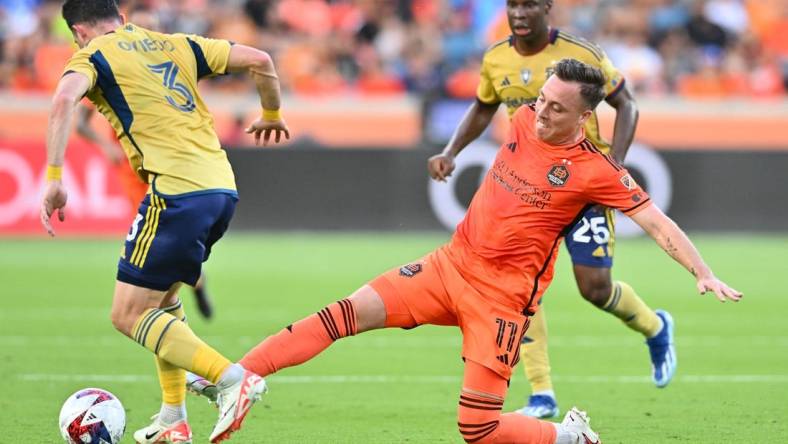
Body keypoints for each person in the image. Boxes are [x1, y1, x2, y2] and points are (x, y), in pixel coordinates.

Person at [229, 59, 741, 444]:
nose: (541, 112)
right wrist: (450, 152)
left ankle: (567, 437)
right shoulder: (521, 119)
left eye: (556, 107)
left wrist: (703, 271)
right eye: (540, 99)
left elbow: (654, 220)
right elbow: (481, 104)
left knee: (476, 428)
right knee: (342, 313)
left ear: (585, 117)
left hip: (500, 303)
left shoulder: (595, 170)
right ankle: (233, 376)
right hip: (449, 266)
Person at [39, 1, 290, 442]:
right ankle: (173, 418)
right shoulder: (177, 43)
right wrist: (271, 113)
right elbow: (261, 60)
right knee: (162, 303)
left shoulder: (93, 54)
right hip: (220, 189)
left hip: (175, 193)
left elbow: (62, 100)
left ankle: (231, 379)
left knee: (127, 314)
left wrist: (55, 178)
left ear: (79, 31)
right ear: (119, 15)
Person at [428, 0, 662, 419]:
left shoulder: (581, 55)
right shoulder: (495, 57)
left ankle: (655, 327)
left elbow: (626, 103)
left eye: (529, 4)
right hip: (526, 190)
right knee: (514, 283)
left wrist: (615, 166)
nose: (519, 13)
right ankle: (542, 392)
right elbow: (484, 106)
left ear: (546, 9)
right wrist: (450, 151)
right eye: (512, 5)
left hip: (581, 187)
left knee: (595, 289)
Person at [74, 6, 215, 321]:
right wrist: (104, 147)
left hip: (173, 166)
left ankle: (185, 285)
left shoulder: (168, 66)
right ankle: (189, 284)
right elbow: (80, 121)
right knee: (162, 243)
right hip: (134, 168)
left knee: (170, 242)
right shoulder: (113, 68)